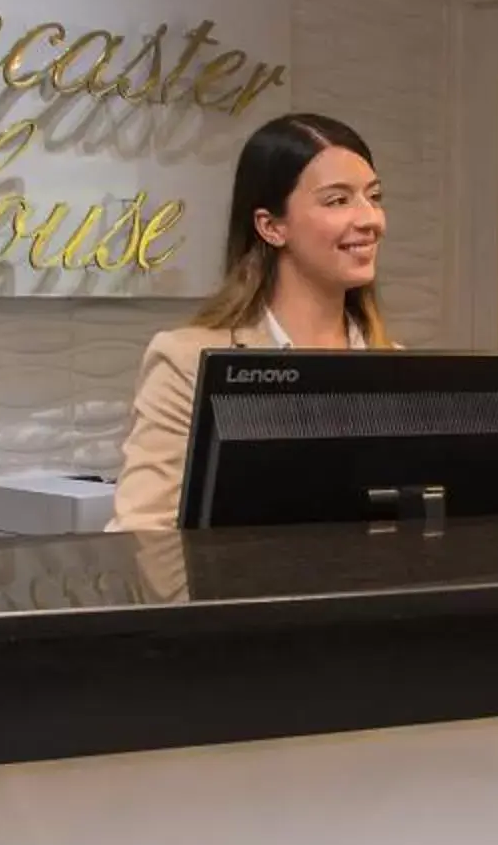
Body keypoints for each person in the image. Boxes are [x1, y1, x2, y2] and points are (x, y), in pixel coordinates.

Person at [110, 113, 389, 532]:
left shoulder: (396, 368)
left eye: (373, 196)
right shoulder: (187, 362)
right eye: (338, 200)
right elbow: (142, 536)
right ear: (272, 226)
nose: (370, 219)